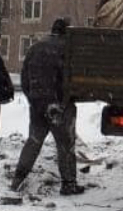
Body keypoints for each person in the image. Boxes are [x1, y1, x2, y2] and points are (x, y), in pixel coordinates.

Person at [12, 18, 84, 196]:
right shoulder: (67, 49)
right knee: (65, 145)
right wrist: (66, 100)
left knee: (33, 142)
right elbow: (71, 78)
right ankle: (68, 184)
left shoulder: (35, 48)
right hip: (59, 105)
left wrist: (34, 99)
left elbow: (24, 78)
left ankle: (17, 180)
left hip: (37, 105)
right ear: (66, 32)